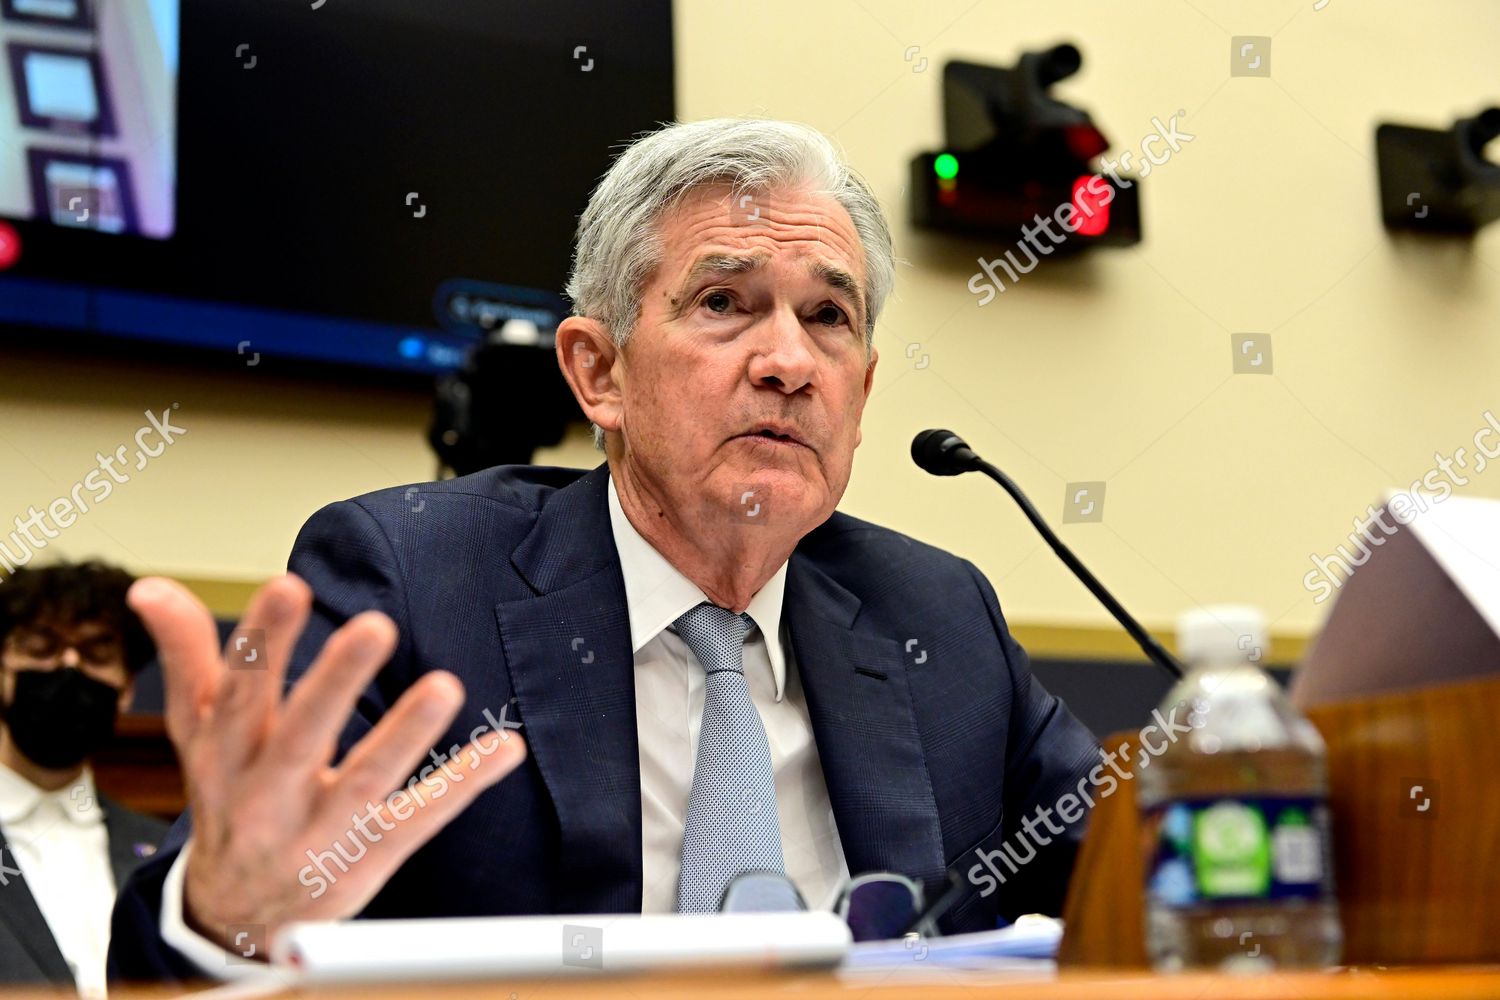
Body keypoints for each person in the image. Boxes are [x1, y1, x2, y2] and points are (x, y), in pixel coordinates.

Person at [109, 118, 1100, 981]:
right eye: (725, 302)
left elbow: (1134, 885)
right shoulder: (411, 580)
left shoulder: (936, 615)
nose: (791, 362)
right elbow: (178, 959)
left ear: (864, 391)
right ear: (597, 372)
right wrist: (228, 919)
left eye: (827, 316)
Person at [0, 561, 168, 997]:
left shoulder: (166, 851)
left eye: (97, 653)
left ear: (127, 687)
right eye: (41, 646)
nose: (68, 667)